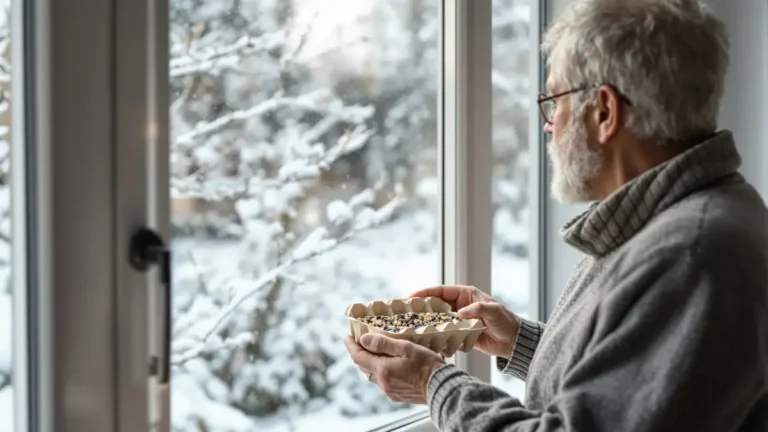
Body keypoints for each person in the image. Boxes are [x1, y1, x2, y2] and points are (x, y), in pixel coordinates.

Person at [344, 0, 768, 430]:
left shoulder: (690, 256)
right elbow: (633, 392)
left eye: (556, 100)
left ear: (604, 112)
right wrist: (524, 343)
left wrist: (433, 383)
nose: (549, 125)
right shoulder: (691, 221)